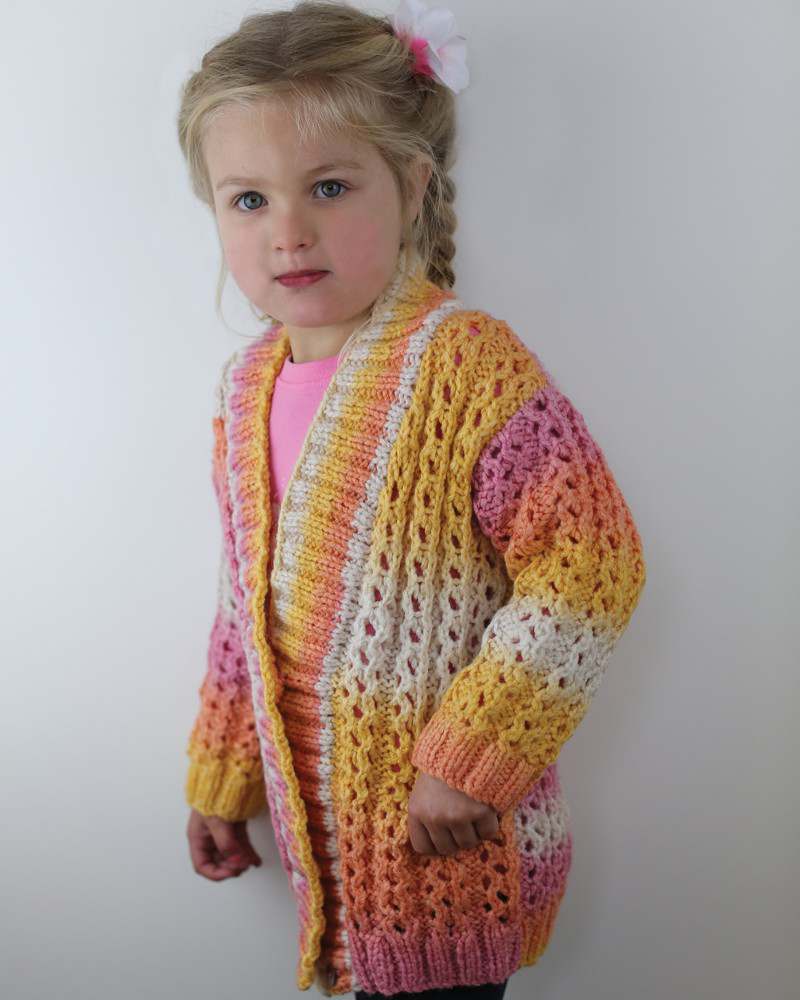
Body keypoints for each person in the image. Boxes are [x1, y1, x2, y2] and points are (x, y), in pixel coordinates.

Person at [177, 2, 647, 998]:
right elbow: (241, 606)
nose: (288, 232)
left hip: (450, 852)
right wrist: (222, 774)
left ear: (412, 184)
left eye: (329, 186)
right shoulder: (243, 388)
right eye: (248, 200)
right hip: (330, 851)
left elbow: (589, 564)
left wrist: (475, 752)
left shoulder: (464, 366)